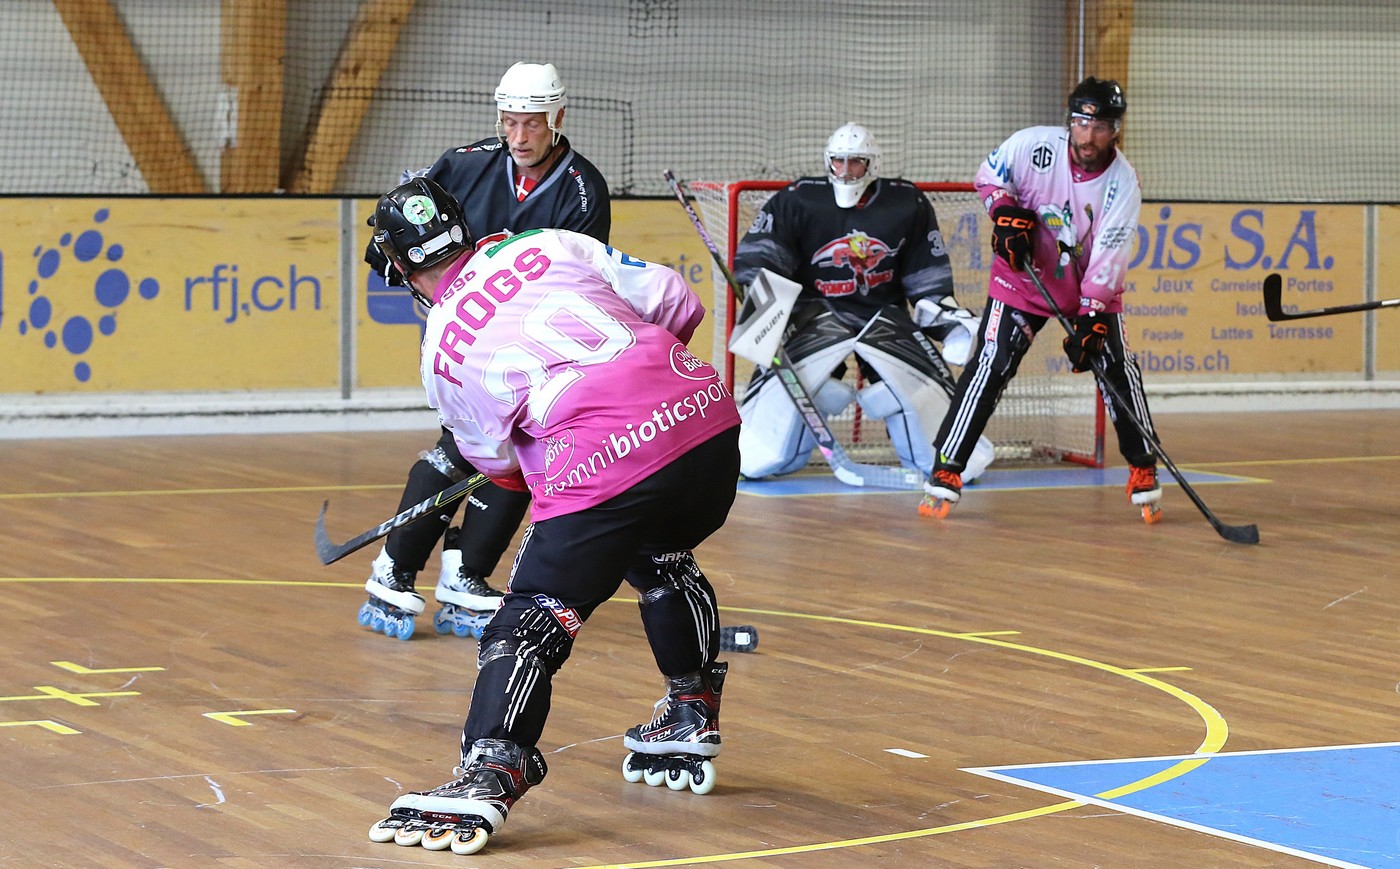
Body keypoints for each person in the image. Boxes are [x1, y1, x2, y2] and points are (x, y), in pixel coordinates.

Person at [364, 178, 741, 855]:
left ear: (399, 266)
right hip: (708, 427)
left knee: (532, 617)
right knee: (657, 553)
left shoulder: (440, 353)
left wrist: (569, 454)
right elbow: (675, 298)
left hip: (604, 459)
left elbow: (500, 466)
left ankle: (491, 769)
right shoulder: (543, 242)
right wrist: (649, 394)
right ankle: (690, 709)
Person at [358, 61, 611, 641]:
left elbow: (580, 275)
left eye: (533, 123)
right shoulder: (464, 164)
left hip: (532, 343)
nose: (519, 137)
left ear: (558, 117)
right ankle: (408, 567)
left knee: (517, 451)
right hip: (466, 334)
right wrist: (395, 260)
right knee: (468, 444)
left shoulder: (582, 189)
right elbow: (394, 231)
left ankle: (449, 571)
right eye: (510, 122)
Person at [919, 77, 1163, 524]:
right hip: (1021, 281)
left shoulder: (1123, 183)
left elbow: (1109, 254)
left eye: (1100, 127)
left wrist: (1092, 315)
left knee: (1118, 368)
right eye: (1081, 124)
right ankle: (947, 468)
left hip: (1086, 288)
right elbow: (990, 177)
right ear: (1069, 121)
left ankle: (1143, 466)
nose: (1088, 137)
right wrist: (1004, 213)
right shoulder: (1032, 146)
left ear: (1116, 131)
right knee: (990, 364)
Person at [730, 122, 995, 483]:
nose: (845, 171)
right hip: (814, 317)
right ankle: (762, 452)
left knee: (914, 395)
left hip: (884, 318)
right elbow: (763, 255)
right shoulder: (798, 198)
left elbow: (927, 278)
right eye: (837, 161)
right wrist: (763, 311)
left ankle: (950, 460)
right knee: (779, 429)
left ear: (872, 164)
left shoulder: (907, 203)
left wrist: (950, 325)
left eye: (855, 162)